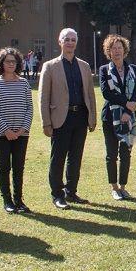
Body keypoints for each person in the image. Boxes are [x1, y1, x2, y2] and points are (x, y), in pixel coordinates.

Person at [39, 28, 98, 210]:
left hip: (80, 117)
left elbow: (90, 93)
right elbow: (43, 97)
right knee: (58, 158)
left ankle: (71, 191)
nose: (70, 42)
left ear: (76, 42)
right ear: (60, 42)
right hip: (60, 119)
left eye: (73, 39)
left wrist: (92, 117)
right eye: (67, 39)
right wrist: (46, 122)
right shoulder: (50, 66)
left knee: (75, 157)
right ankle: (57, 194)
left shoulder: (84, 66)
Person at [0, 47, 34, 214]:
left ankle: (19, 200)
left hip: (21, 134)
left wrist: (23, 128)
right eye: (7, 61)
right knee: (4, 166)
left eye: (14, 61)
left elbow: (29, 108)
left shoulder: (24, 83)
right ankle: (7, 200)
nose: (11, 64)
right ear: (1, 63)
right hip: (1, 134)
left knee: (18, 167)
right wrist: (6, 130)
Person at [98, 34, 136, 200]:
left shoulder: (133, 69)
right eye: (113, 48)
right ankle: (114, 187)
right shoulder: (104, 70)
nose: (117, 51)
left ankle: (123, 186)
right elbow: (106, 92)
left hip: (129, 117)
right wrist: (125, 103)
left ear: (125, 50)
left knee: (125, 153)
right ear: (109, 51)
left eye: (119, 48)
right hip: (110, 117)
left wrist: (128, 112)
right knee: (111, 154)